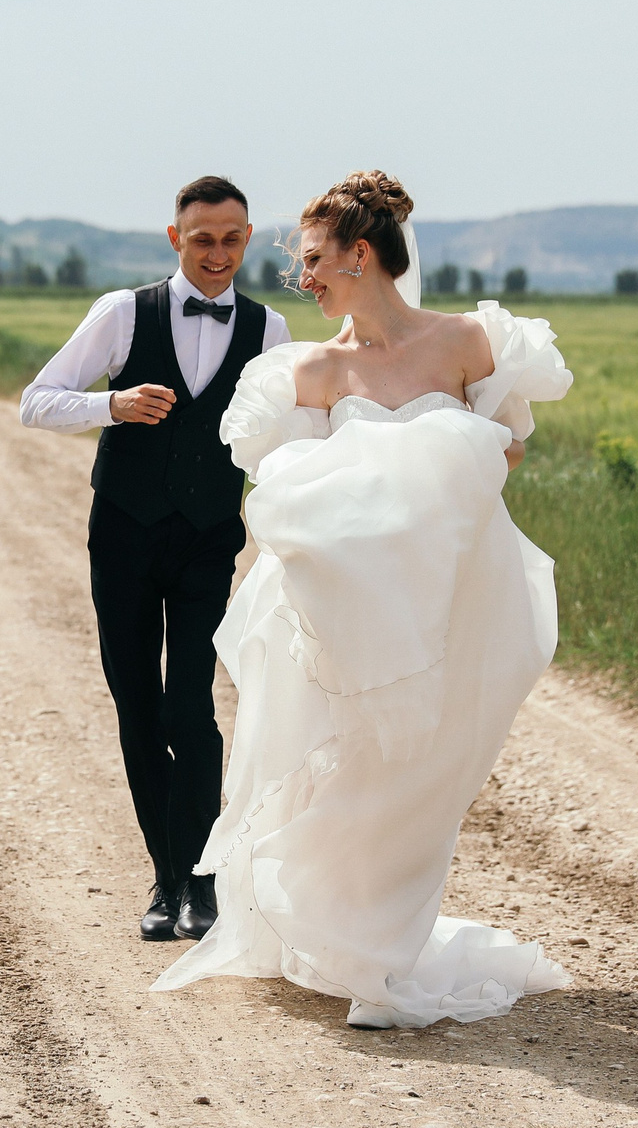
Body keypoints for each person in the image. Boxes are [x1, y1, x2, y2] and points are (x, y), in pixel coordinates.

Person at [152, 171, 574, 1028]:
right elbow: (288, 487)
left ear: (361, 254)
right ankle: (346, 941)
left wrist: (437, 466)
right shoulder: (311, 369)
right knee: (352, 764)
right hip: (349, 609)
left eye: (314, 258)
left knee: (423, 771)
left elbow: (506, 450)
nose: (301, 276)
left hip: (448, 594)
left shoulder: (469, 343)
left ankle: (384, 945)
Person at [20, 176, 294, 942]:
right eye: (202, 239)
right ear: (176, 238)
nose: (218, 253)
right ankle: (166, 877)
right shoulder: (121, 312)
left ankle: (201, 881)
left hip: (207, 540)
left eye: (232, 239)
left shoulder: (269, 330)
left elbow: (292, 432)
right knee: (139, 709)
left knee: (190, 709)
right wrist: (110, 405)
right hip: (124, 538)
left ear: (247, 238)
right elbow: (36, 399)